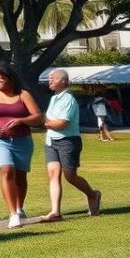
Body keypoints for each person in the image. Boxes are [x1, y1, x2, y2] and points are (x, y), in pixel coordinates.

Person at [0, 61, 43, 227]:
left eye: (2, 79)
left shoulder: (22, 95)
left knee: (20, 176)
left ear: (11, 78)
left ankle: (20, 208)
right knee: (7, 170)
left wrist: (21, 120)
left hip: (22, 141)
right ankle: (13, 214)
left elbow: (38, 117)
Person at [40, 69, 101, 222]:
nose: (50, 81)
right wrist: (45, 122)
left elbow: (61, 123)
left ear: (63, 81)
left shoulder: (68, 99)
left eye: (52, 78)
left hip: (68, 141)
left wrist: (43, 123)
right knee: (53, 175)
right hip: (51, 142)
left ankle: (92, 194)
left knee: (70, 176)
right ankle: (55, 212)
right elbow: (50, 119)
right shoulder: (54, 98)